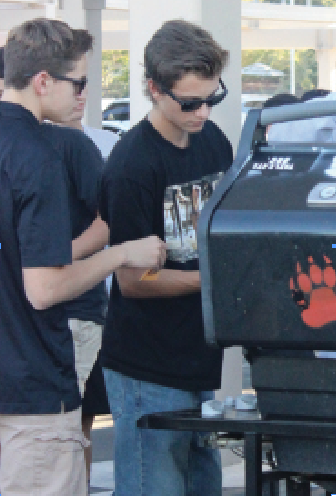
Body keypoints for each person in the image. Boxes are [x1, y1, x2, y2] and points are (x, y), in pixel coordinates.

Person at [0, 18, 165, 496]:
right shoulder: (39, 155)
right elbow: (45, 289)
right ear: (43, 81)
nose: (84, 94)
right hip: (31, 390)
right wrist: (120, 254)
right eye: (79, 82)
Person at [98, 19, 232, 496]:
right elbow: (134, 282)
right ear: (154, 89)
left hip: (198, 357)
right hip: (145, 367)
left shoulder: (213, 140)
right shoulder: (132, 164)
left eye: (213, 98)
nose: (202, 112)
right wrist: (212, 281)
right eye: (190, 102)